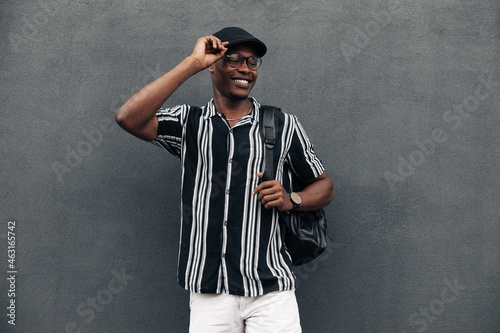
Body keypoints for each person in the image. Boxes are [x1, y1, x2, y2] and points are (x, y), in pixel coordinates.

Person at [115, 27, 334, 333]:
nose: (245, 68)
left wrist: (292, 199)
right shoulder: (188, 123)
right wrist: (192, 62)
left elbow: (324, 186)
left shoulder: (283, 124)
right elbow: (128, 117)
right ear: (212, 66)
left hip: (270, 288)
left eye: (252, 62)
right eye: (233, 59)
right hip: (210, 291)